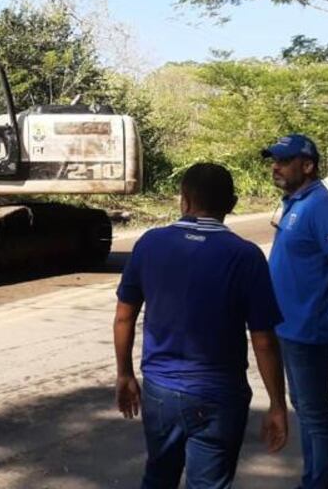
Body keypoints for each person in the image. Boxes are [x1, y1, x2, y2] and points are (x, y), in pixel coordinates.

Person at [115, 162, 288, 489]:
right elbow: (263, 340)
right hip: (219, 396)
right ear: (232, 204)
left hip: (161, 390)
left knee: (157, 477)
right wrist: (278, 404)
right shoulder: (245, 256)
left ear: (183, 200)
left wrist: (125, 373)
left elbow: (125, 314)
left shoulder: (150, 243)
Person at [260, 133, 328, 489]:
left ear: (308, 165)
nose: (276, 167)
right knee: (306, 411)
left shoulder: (322, 206)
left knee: (315, 416)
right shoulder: (295, 202)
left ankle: (317, 483)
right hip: (288, 327)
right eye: (274, 161)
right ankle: (312, 479)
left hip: (310, 329)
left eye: (283, 161)